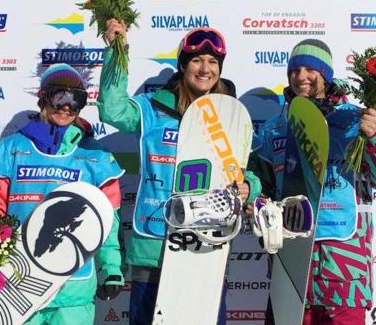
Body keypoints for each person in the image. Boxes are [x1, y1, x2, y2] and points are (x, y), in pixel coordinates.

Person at [97, 19, 261, 325]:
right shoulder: (151, 108)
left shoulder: (229, 115)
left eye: (213, 61)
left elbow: (245, 172)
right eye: (196, 60)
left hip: (206, 245)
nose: (204, 69)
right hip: (154, 243)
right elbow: (112, 109)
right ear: (183, 66)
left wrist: (248, 187)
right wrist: (117, 52)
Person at [250, 39, 376, 325]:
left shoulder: (355, 121)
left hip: (344, 269)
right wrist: (257, 204)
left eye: (311, 69)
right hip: (291, 269)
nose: (302, 77)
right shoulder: (276, 127)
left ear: (326, 74)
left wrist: (375, 138)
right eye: (295, 70)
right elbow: (261, 188)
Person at [0, 63, 126, 325]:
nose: (67, 106)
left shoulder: (95, 155)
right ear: (44, 97)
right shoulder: (13, 148)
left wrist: (111, 268)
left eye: (76, 99)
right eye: (60, 96)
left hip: (73, 290)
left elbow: (107, 221)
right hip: (22, 283)